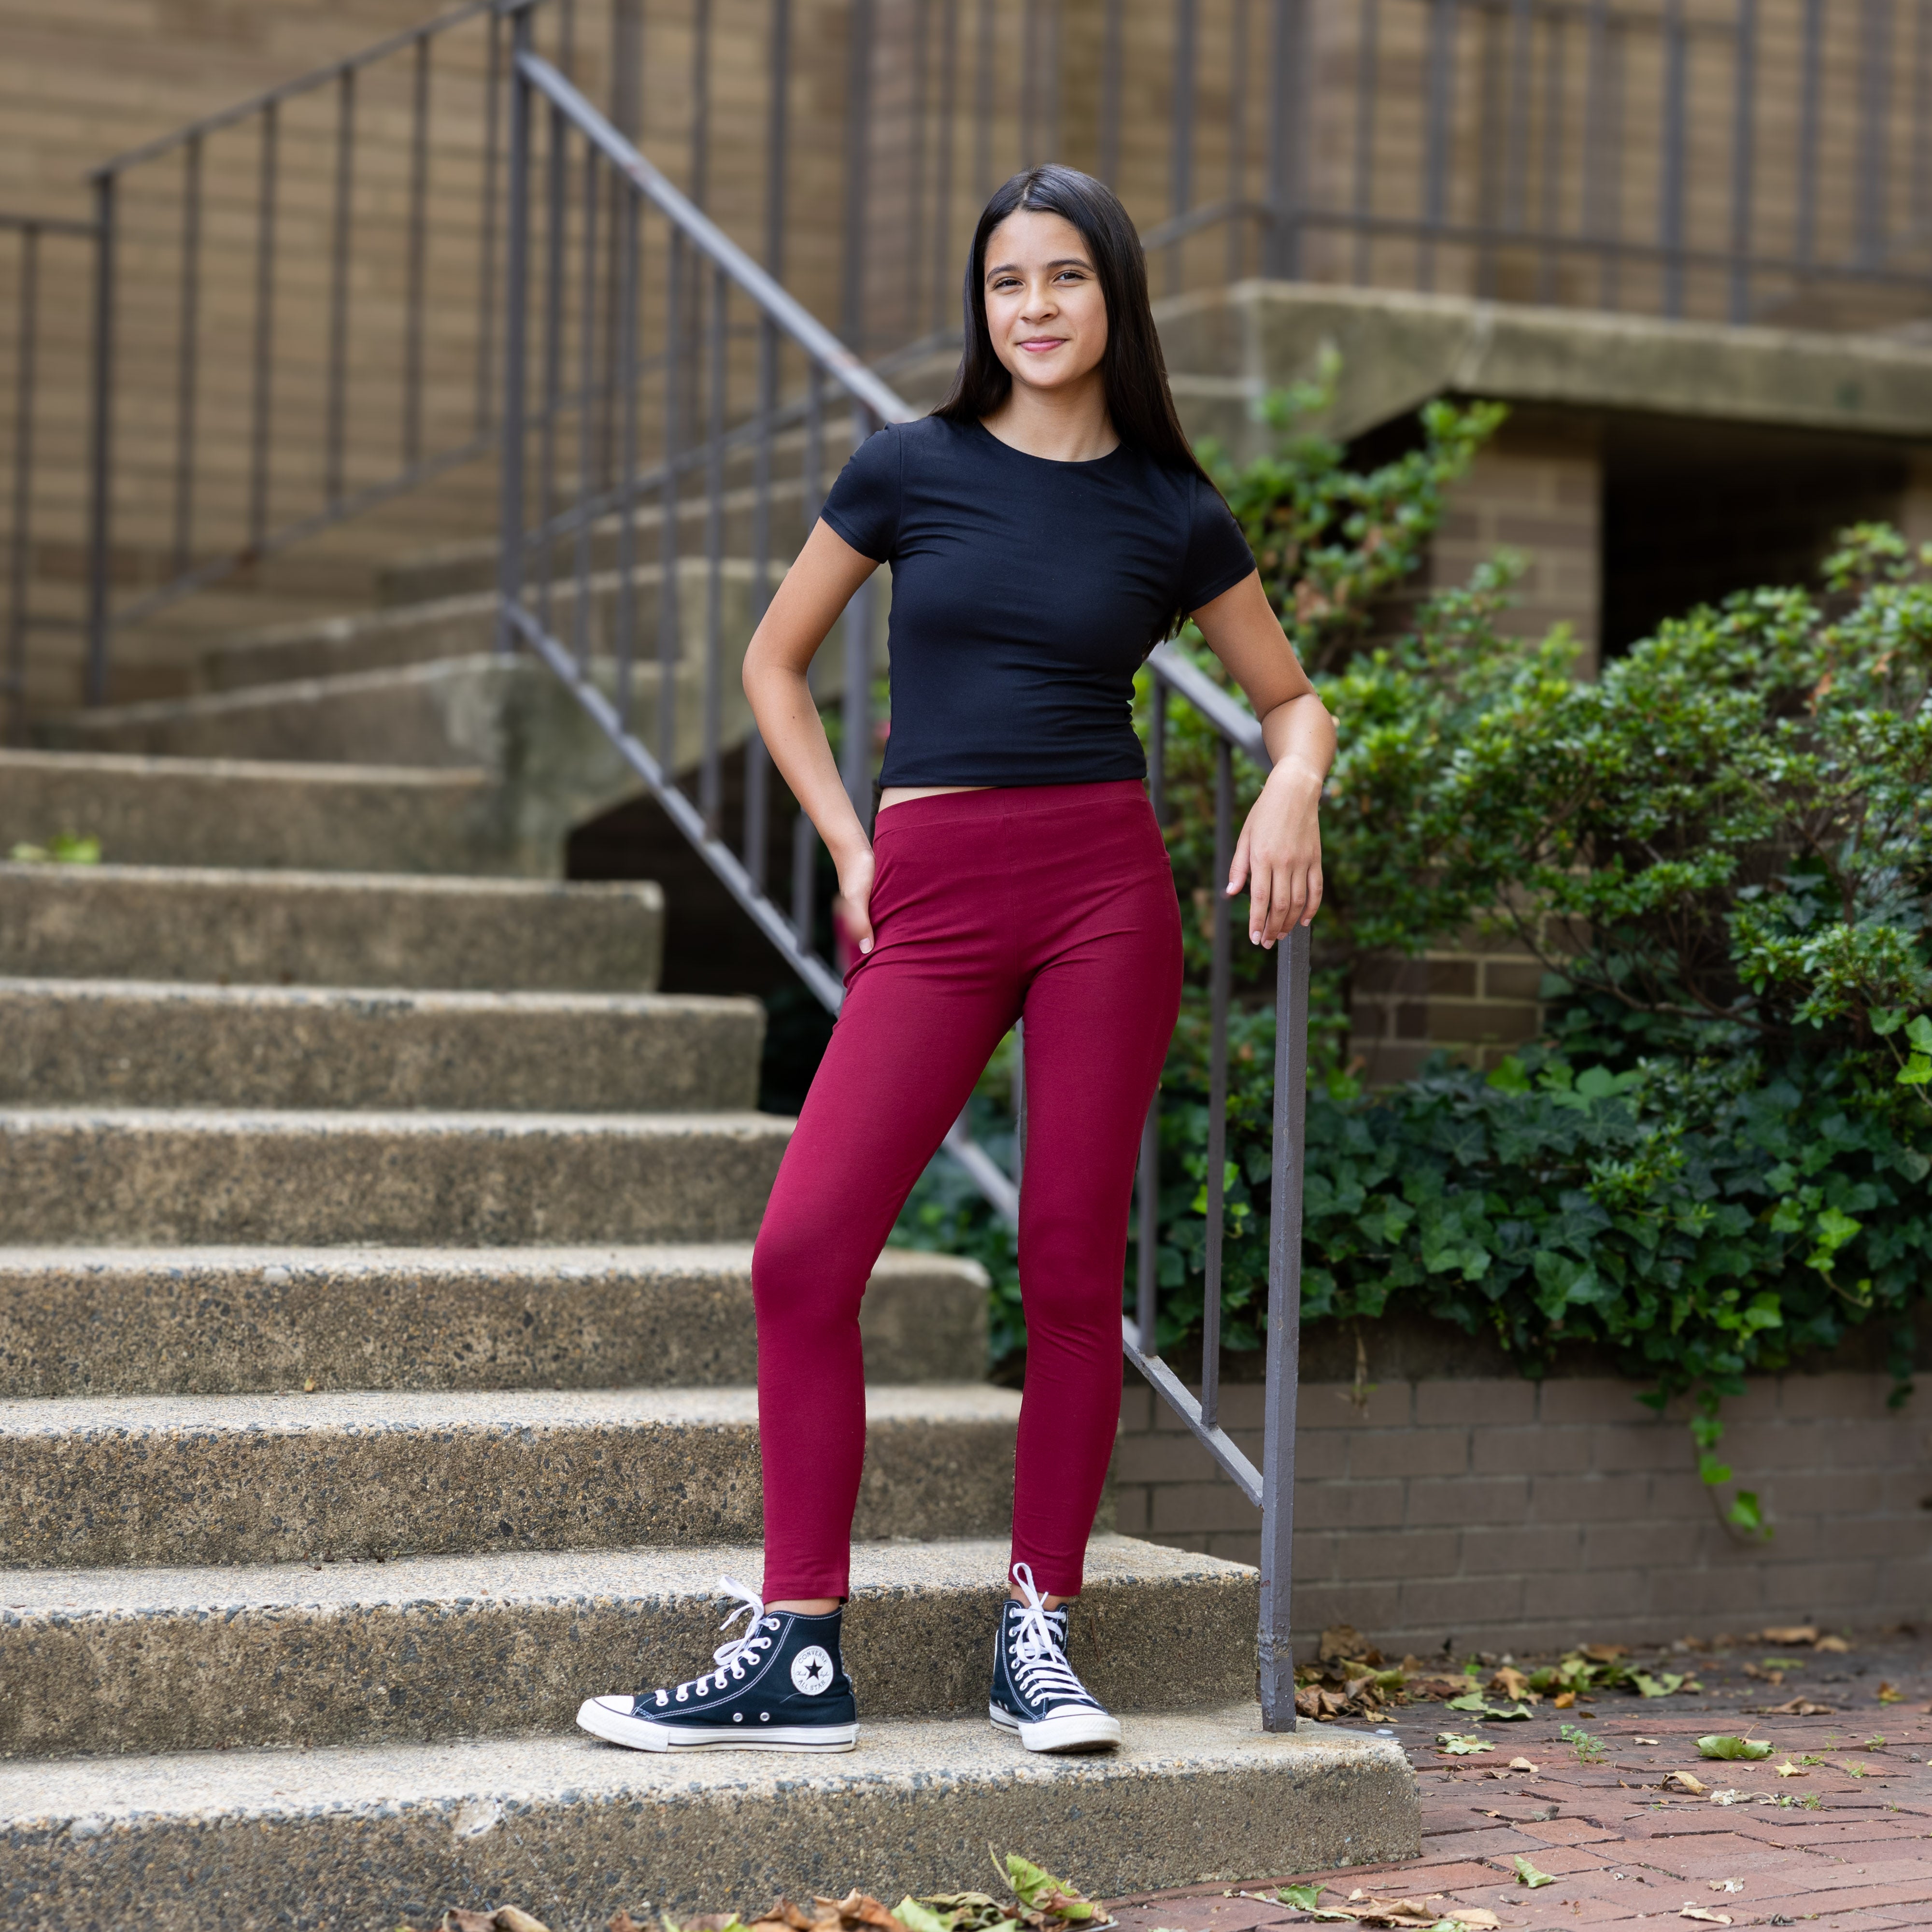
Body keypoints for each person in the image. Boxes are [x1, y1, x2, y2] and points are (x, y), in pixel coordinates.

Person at [576, 163, 1333, 1758]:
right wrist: (852, 848)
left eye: (1065, 277)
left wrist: (1293, 784)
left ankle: (1035, 1635)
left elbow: (1289, 698)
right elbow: (773, 663)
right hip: (930, 890)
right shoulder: (908, 467)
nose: (1034, 308)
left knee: (1068, 1268)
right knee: (803, 1253)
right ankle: (798, 1647)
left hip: (1102, 895)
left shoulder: (1173, 509)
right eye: (1007, 282)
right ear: (981, 305)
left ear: (1114, 296)